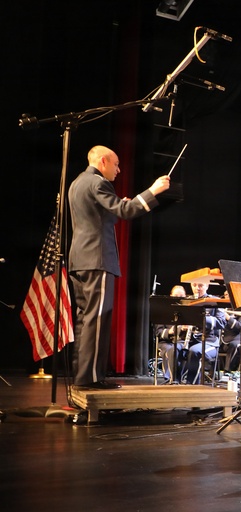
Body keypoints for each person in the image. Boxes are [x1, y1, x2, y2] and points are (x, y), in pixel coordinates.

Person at [68, 146, 170, 388]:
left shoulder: (78, 183)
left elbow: (98, 216)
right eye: (116, 164)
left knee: (85, 320)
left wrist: (119, 205)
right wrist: (153, 191)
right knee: (98, 320)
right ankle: (91, 379)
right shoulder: (98, 182)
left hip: (80, 260)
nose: (119, 169)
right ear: (103, 161)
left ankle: (83, 377)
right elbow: (124, 211)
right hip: (98, 260)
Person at [155, 284, 189, 383]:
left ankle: (182, 378)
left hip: (182, 341)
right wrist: (169, 332)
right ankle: (171, 378)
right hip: (166, 342)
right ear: (171, 296)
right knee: (171, 350)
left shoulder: (189, 310)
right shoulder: (163, 311)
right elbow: (158, 332)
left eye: (181, 296)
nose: (178, 299)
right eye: (176, 296)